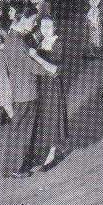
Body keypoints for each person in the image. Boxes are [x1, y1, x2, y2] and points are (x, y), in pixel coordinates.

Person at [2, 2, 43, 178]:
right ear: (23, 18)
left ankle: (18, 162)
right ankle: (16, 167)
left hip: (19, 89)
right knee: (22, 129)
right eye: (33, 20)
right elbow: (32, 67)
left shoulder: (13, 36)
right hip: (26, 90)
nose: (35, 24)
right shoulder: (18, 43)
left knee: (20, 127)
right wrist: (53, 69)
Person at [28, 15, 70, 172]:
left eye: (49, 27)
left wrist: (36, 57)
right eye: (43, 26)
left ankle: (52, 152)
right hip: (40, 84)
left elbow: (55, 70)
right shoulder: (40, 41)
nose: (45, 30)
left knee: (52, 116)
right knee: (43, 117)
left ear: (55, 27)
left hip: (52, 85)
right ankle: (45, 150)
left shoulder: (58, 43)